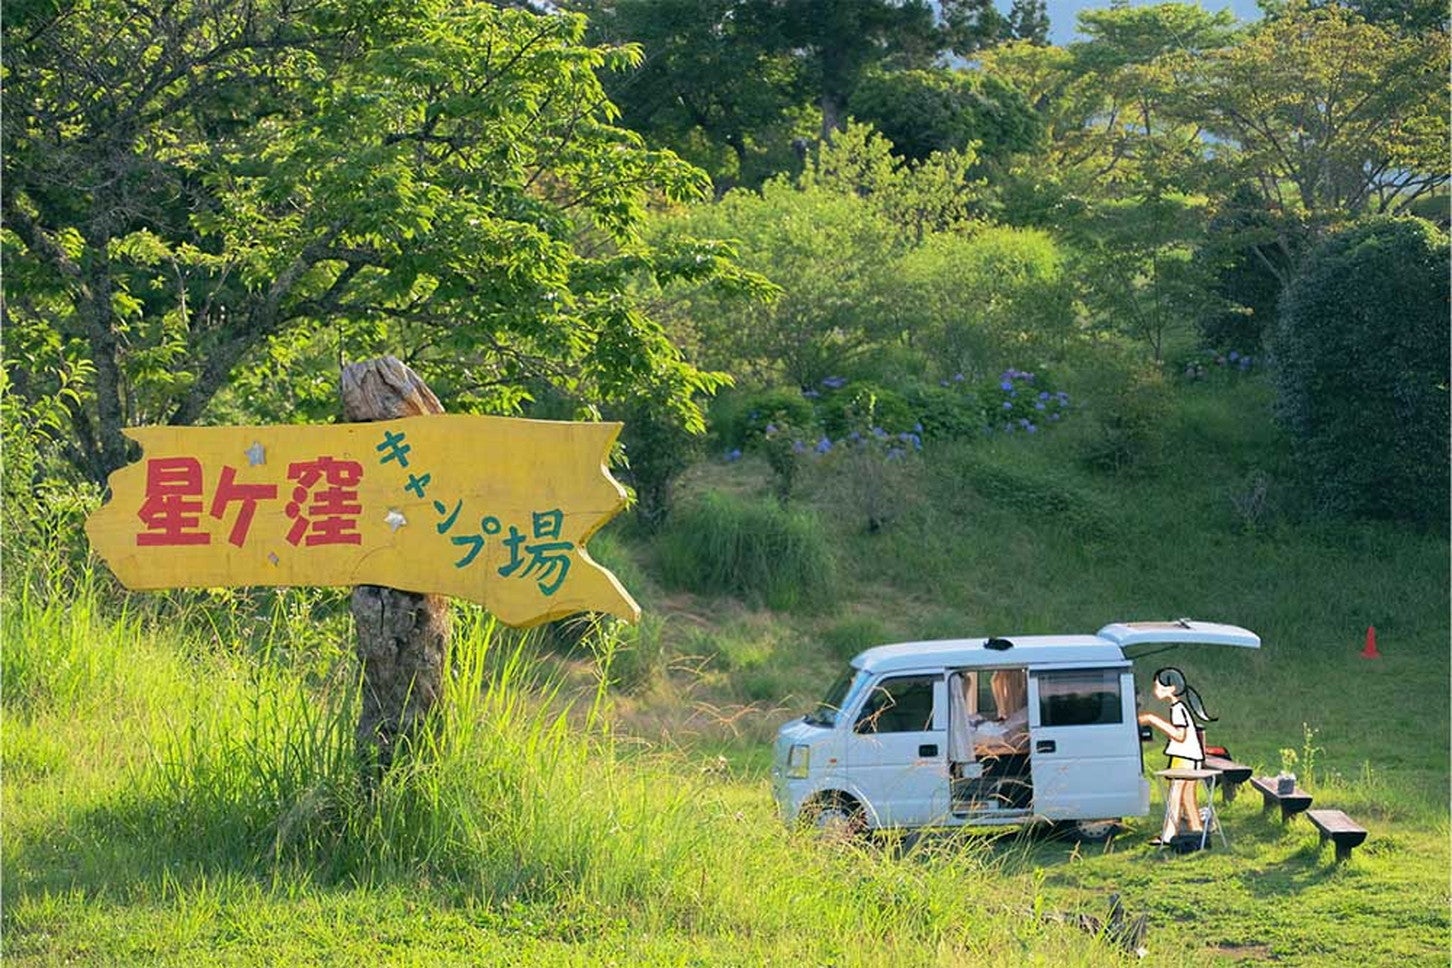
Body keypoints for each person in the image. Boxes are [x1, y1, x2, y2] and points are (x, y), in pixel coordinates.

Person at [1137, 667, 1217, 844]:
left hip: (1185, 757)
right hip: (1190, 757)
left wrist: (1152, 719)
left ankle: (1168, 836)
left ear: (1171, 688)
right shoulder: (1179, 707)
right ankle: (1197, 833)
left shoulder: (1177, 708)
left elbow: (1180, 736)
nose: (1155, 690)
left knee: (1175, 796)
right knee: (1187, 798)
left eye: (1158, 686)